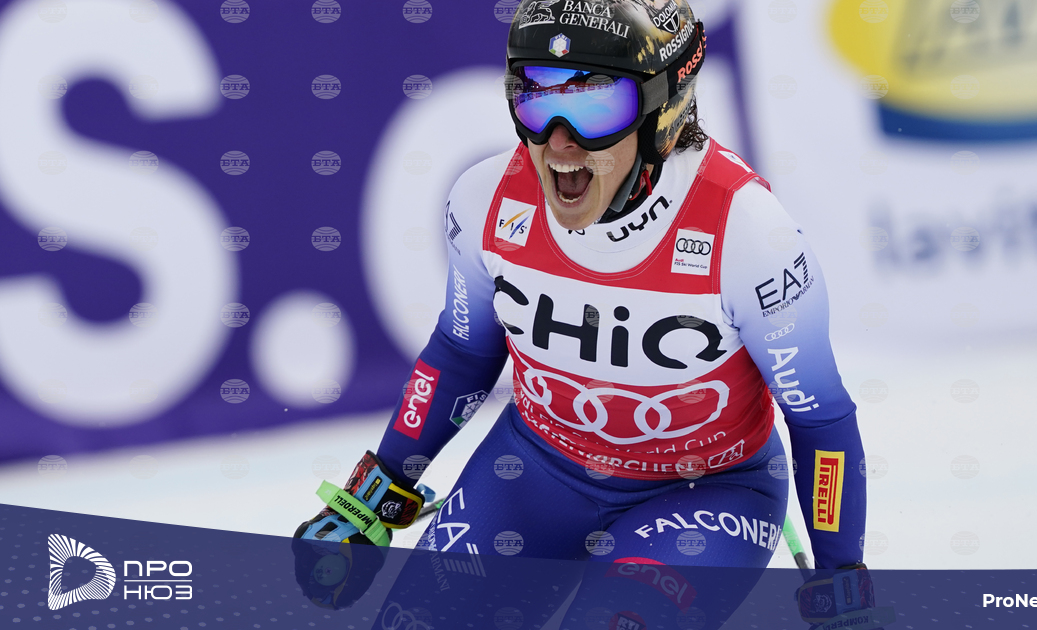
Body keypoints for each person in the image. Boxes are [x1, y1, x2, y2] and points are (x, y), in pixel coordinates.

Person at [294, 1, 872, 627]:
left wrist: (840, 579)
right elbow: (462, 354)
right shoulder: (486, 199)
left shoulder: (749, 233)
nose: (559, 142)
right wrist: (373, 493)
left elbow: (819, 419)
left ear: (663, 112)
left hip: (706, 494)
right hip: (535, 471)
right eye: (537, 98)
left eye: (596, 105)